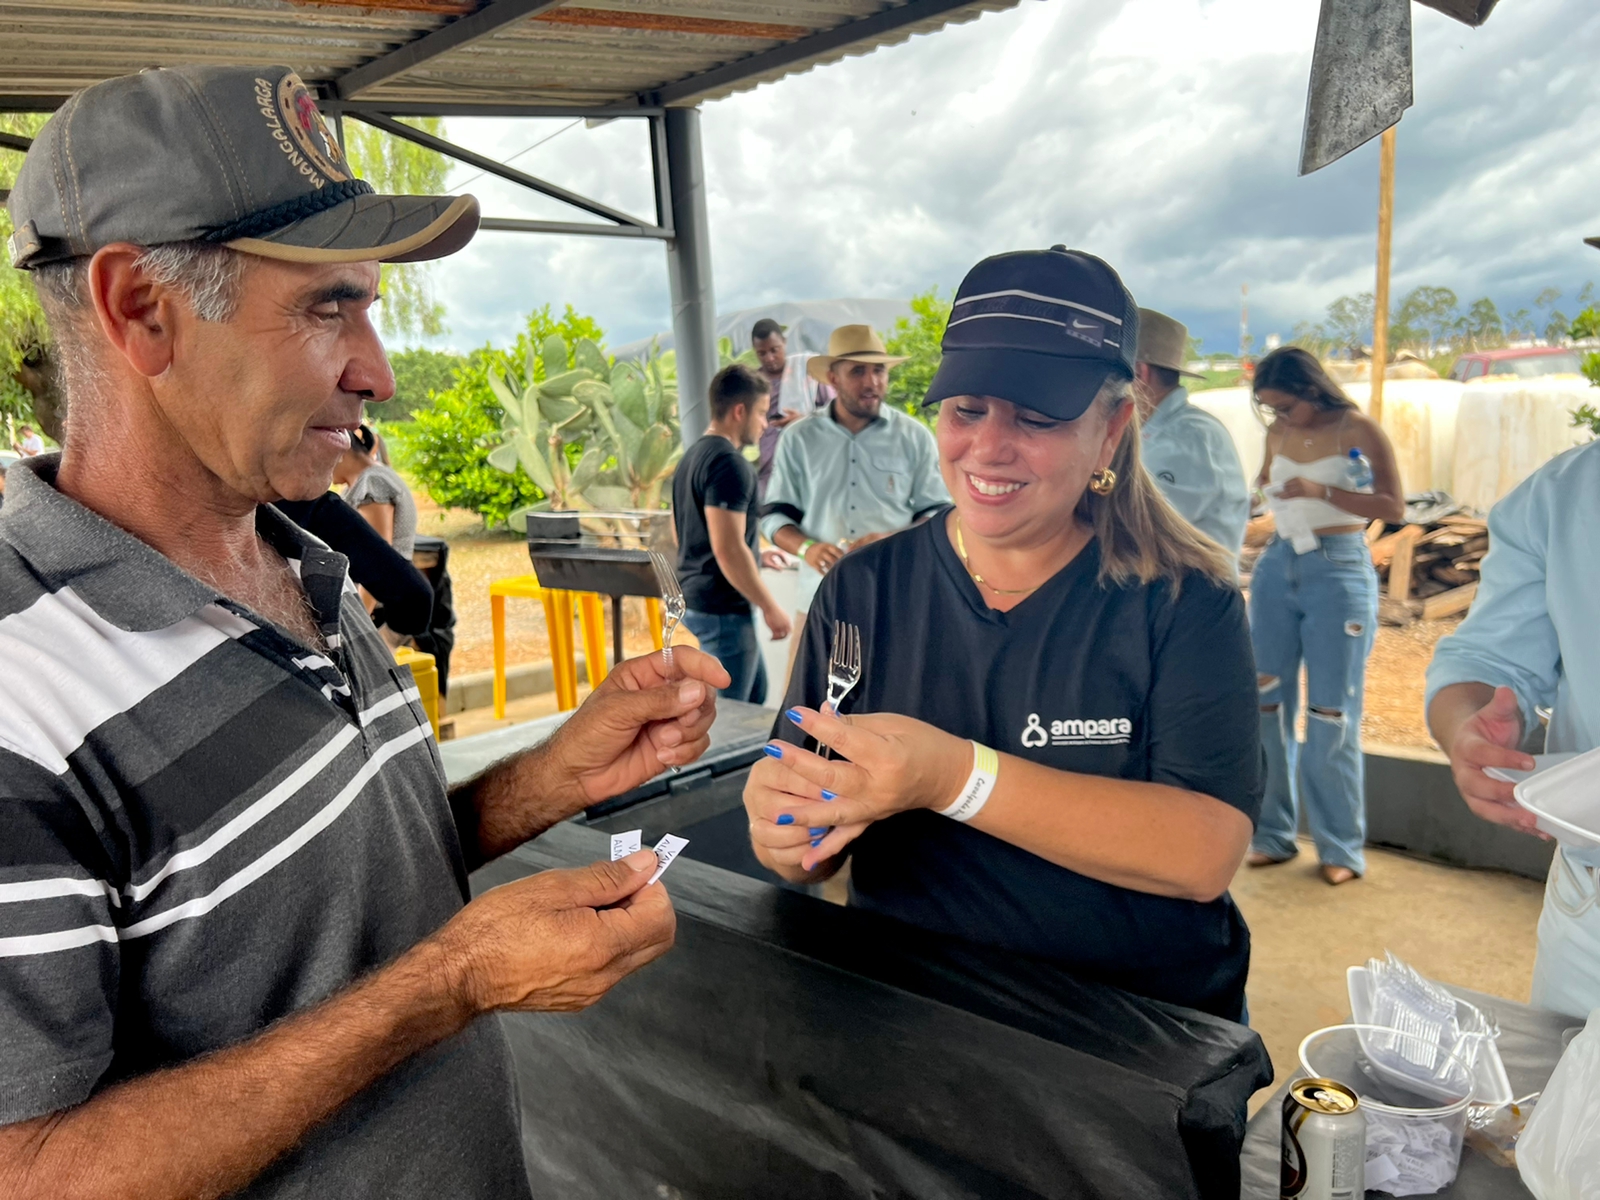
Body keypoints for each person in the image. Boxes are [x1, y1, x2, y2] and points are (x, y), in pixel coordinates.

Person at [0, 65, 729, 1200]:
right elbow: (32, 1169)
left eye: (370, 308)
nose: (377, 371)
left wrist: (536, 786)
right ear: (141, 311)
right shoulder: (17, 692)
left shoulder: (297, 551)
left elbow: (304, 899)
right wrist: (449, 984)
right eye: (325, 306)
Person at [742, 247, 1262, 1021]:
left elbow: (1202, 853)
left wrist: (954, 776)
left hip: (1132, 1038)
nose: (988, 447)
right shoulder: (862, 592)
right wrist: (785, 833)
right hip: (911, 1019)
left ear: (1112, 429)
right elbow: (803, 814)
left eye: (1037, 417)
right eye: (968, 409)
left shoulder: (1184, 600)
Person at [1426, 435, 1600, 1017]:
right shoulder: (1565, 492)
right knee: (1570, 1099)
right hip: (1590, 908)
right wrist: (1467, 732)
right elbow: (1488, 661)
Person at [1246, 347, 1404, 885]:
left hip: (1338, 568)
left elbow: (1394, 507)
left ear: (1313, 389)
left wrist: (1322, 492)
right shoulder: (1277, 434)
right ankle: (1273, 834)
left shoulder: (1357, 428)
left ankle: (1339, 848)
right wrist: (1252, 499)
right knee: (1265, 703)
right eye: (1271, 411)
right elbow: (1264, 483)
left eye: (1287, 407)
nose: (1281, 419)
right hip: (1276, 566)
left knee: (1331, 713)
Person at [760, 324, 949, 639]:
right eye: (858, 371)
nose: (872, 382)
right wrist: (808, 548)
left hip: (897, 601)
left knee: (900, 689)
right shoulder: (799, 438)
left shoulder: (914, 437)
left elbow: (939, 514)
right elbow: (774, 516)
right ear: (833, 378)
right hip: (819, 602)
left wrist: (892, 540)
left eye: (879, 371)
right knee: (807, 689)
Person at [672, 364, 793, 703]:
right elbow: (727, 548)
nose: (764, 424)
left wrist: (756, 554)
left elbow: (684, 531)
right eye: (760, 413)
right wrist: (770, 607)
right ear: (739, 411)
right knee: (727, 719)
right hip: (723, 612)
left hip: (700, 601)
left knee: (754, 701)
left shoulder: (691, 457)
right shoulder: (730, 464)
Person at [1134, 308, 1249, 564]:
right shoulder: (1162, 430)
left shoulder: (1188, 436)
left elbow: (1141, 526)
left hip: (1188, 596)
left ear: (1139, 374)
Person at [751, 317, 833, 498]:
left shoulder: (807, 369)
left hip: (809, 465)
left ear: (785, 343)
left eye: (775, 350)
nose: (770, 358)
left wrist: (804, 420)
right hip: (769, 469)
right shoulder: (753, 383)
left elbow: (837, 411)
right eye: (762, 353)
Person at [334, 422, 418, 559]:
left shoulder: (374, 481)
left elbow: (378, 553)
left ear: (341, 450)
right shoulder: (366, 480)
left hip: (382, 579)